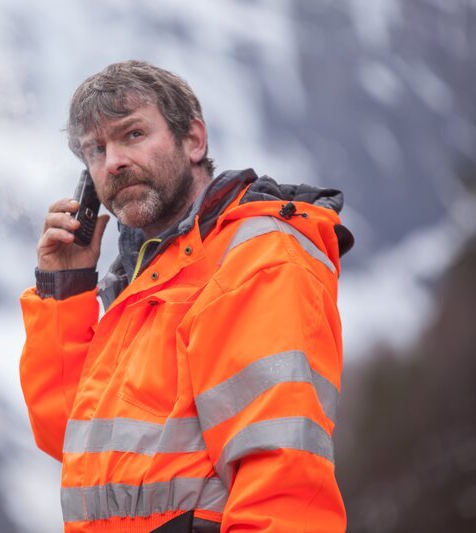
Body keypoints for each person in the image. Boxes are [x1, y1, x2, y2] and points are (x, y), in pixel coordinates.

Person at [19, 60, 353, 532]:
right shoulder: (143, 279)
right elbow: (76, 441)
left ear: (194, 140)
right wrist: (67, 291)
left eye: (132, 134)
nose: (112, 161)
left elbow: (281, 476)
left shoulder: (254, 259)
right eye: (95, 149)